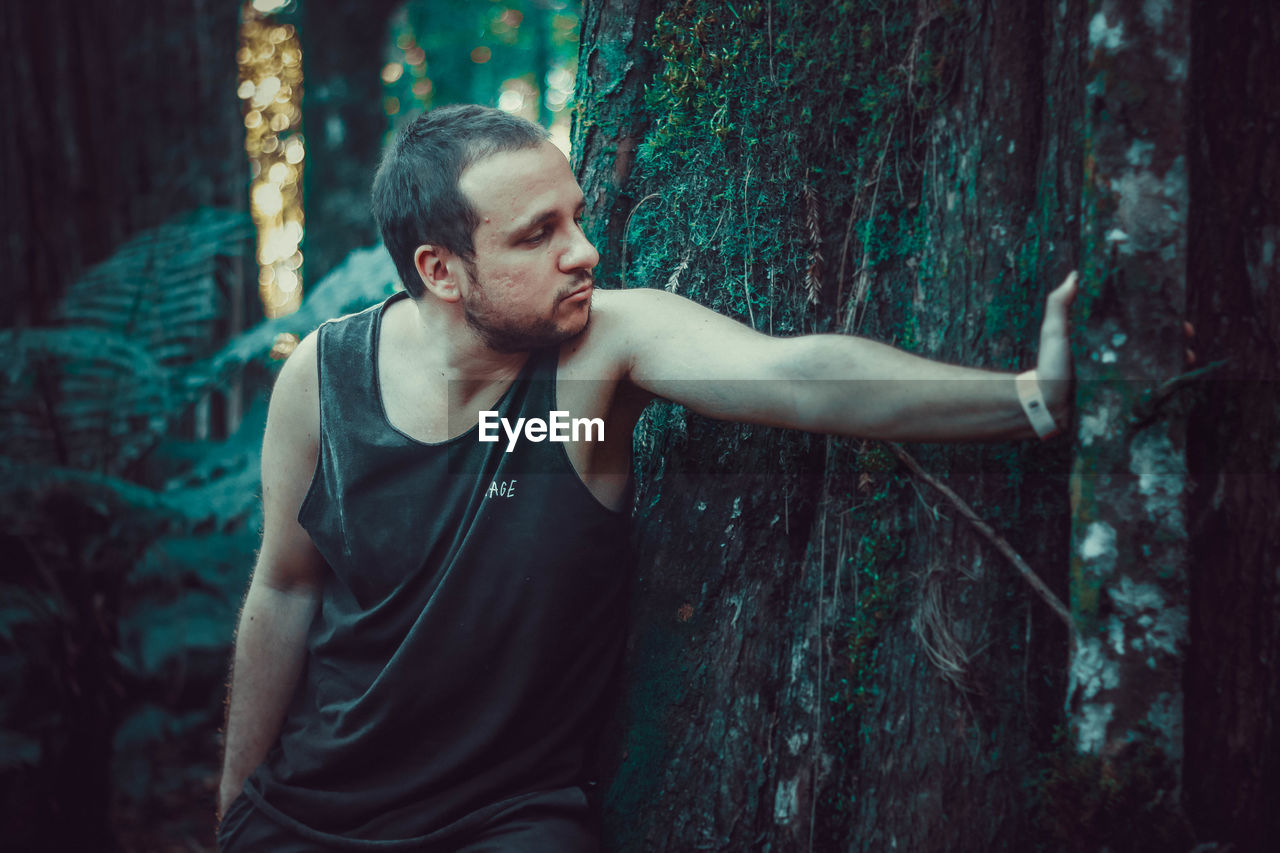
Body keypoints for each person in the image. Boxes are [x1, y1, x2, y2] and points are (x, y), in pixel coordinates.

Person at [216, 104, 1077, 851]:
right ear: (442, 270)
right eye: (537, 235)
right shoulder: (323, 379)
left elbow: (797, 376)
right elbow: (284, 591)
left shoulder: (602, 353)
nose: (584, 252)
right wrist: (235, 814)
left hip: (503, 819)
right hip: (310, 812)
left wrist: (1027, 400)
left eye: (575, 217)